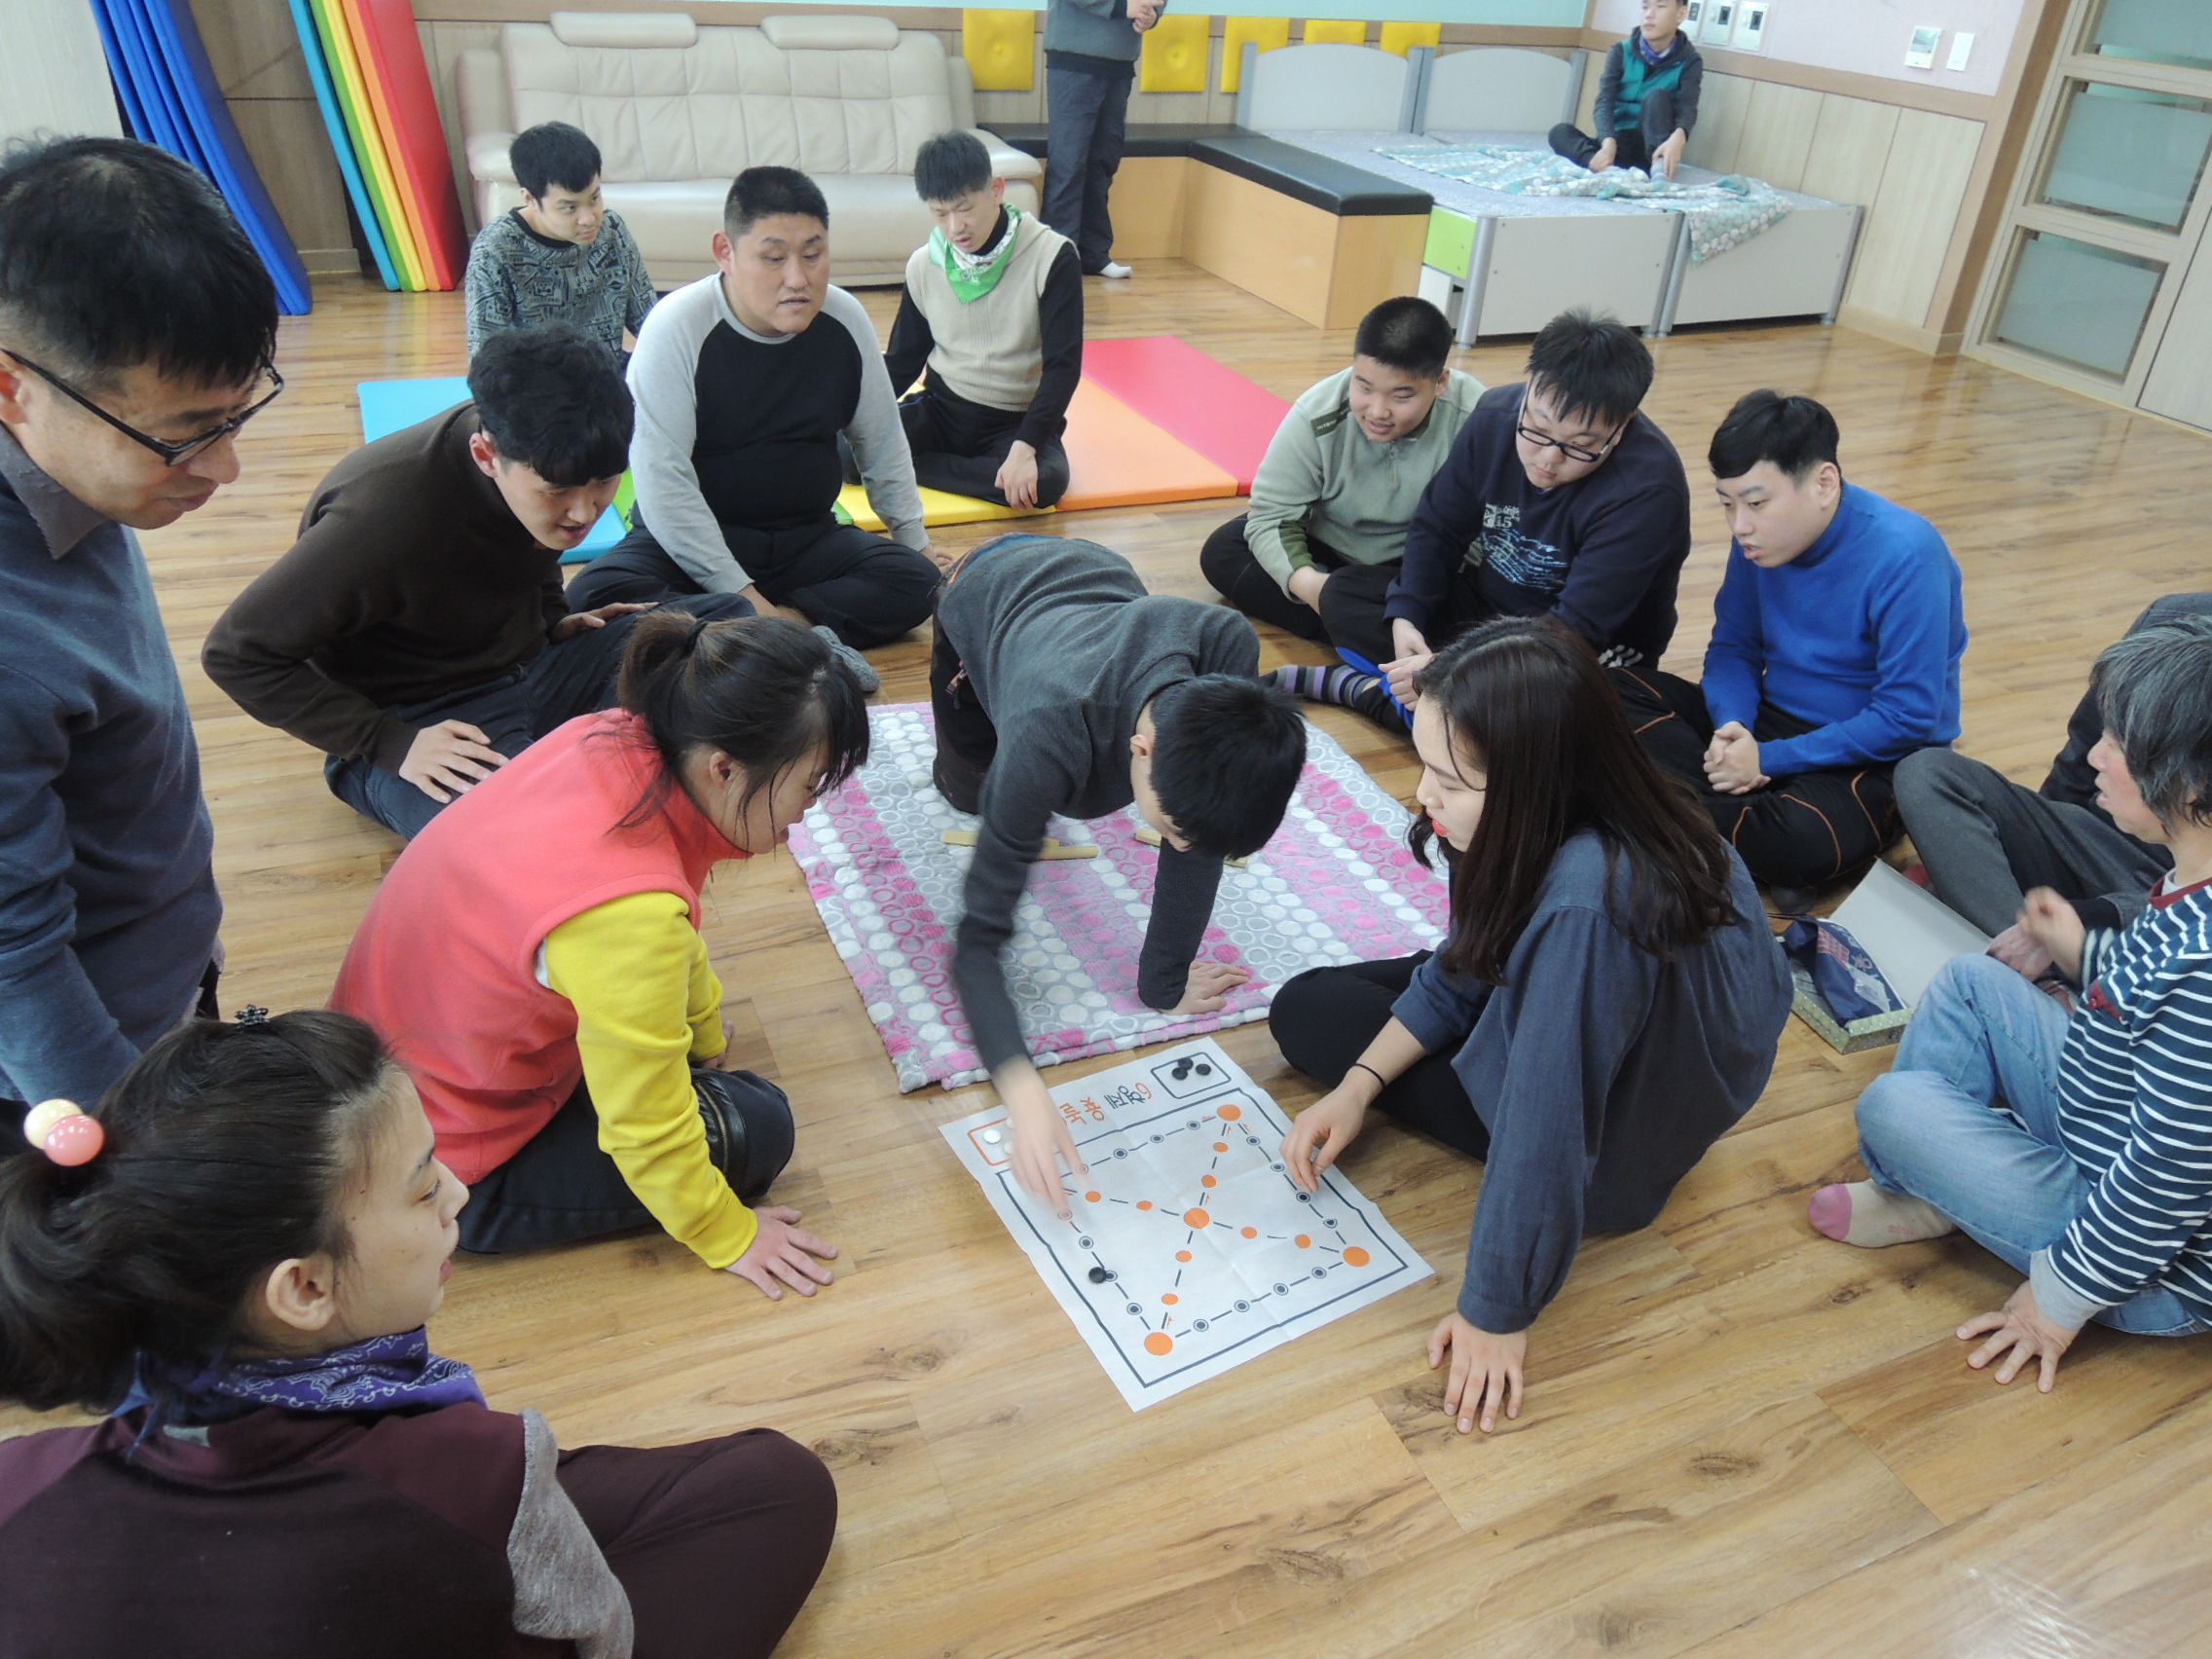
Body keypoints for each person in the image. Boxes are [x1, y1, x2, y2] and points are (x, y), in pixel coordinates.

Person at [0, 1011, 836, 1656]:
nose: (458, 1194)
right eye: (423, 1188)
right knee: (779, 1483)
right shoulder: (478, 1471)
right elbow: (600, 1636)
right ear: (304, 1287)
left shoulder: (23, 1479)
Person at [1271, 618, 1790, 1434]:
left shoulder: (1586, 908)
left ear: (1532, 782)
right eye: (1426, 763)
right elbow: (1466, 963)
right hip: (1672, 1069)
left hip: (1617, 1152)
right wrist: (1358, 1089)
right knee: (1346, 1006)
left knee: (1307, 1011)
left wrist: (1495, 1310)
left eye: (1451, 779)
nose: (1423, 793)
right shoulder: (1629, 802)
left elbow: (1546, 1127)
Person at [332, 613, 864, 1300]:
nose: (812, 810)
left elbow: (675, 930)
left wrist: (701, 1035)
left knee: (685, 1069)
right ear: (724, 768)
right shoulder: (631, 916)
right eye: (811, 785)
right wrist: (727, 1232)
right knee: (761, 1127)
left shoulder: (610, 736)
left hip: (382, 1075)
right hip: (447, 1166)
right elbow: (645, 1126)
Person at [1812, 619, 2212, 1392]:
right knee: (1972, 980)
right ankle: (1926, 1193)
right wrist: (2084, 953)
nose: (2094, 756)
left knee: (1894, 1105)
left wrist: (2055, 1304)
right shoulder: (2191, 878)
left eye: (2119, 746)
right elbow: (2151, 993)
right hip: (2107, 1124)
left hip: (2155, 1269)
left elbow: (2167, 1178)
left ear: (2191, 786)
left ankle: (1930, 1187)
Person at [203, 327, 749, 841]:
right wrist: (390, 743)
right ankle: (587, 765)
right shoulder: (380, 520)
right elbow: (235, 653)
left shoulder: (542, 458)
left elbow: (529, 550)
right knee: (530, 836)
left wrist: (550, 620)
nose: (585, 511)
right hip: (427, 720)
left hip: (529, 664)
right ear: (486, 456)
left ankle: (587, 759)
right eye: (557, 491)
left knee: (732, 625)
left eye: (605, 482)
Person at [0, 137, 278, 1126]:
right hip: (89, 1067)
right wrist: (137, 1156)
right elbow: (16, 962)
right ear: (12, 387)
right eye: (185, 433)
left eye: (238, 414)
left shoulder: (69, 461)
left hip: (160, 967)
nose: (225, 468)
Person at [934, 535, 1307, 1207]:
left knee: (1183, 821)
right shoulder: (1044, 731)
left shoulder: (1225, 642)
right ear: (1143, 747)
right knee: (967, 791)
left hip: (1093, 571)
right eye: (1174, 831)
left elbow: (1200, 839)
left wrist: (1163, 984)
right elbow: (977, 940)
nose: (1185, 846)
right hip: (981, 592)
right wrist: (1021, 1088)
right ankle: (953, 563)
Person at [565, 166, 940, 684]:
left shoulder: (846, 319)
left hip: (804, 541)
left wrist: (915, 542)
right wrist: (744, 597)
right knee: (592, 597)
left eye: (813, 255)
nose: (798, 278)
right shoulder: (676, 327)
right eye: (773, 258)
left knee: (919, 581)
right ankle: (790, 639)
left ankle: (751, 641)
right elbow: (663, 485)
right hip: (687, 551)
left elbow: (881, 442)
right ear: (726, 251)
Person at [1613, 390, 1966, 897]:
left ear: (1824, 483)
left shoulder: (1907, 554)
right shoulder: (1756, 542)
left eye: (1757, 503)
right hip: (1767, 723)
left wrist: (1770, 760)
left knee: (1806, 840)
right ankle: (1715, 820)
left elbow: (1908, 717)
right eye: (1727, 504)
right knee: (1606, 691)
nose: (1740, 525)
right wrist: (1734, 726)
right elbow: (1733, 648)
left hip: (1874, 755)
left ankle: (1648, 806)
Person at [1283, 309, 1689, 727]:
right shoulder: (1496, 414)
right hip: (1487, 612)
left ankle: (1377, 695)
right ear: (1529, 389)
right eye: (1537, 429)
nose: (1549, 458)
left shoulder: (1648, 491)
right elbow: (1439, 526)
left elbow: (1575, 631)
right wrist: (1409, 614)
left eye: (1581, 446)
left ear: (1623, 425)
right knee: (1347, 594)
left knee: (1549, 722)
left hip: (1581, 652)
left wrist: (1449, 669)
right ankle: (1445, 708)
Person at [1895, 593, 2210, 949]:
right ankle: (2022, 947)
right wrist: (2029, 843)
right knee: (1929, 774)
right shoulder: (2176, 615)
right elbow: (2080, 759)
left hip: (2181, 901)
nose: (2098, 755)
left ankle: (2030, 955)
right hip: (2111, 846)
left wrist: (2105, 912)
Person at [1204, 296, 1482, 685]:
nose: (1377, 411)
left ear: (1440, 382)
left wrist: (1415, 592)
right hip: (1331, 558)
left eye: (1401, 396)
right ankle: (1399, 650)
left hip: (1421, 567)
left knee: (1479, 597)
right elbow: (1270, 515)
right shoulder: (1316, 414)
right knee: (1224, 550)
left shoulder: (1476, 417)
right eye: (1364, 387)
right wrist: (1316, 590)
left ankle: (1376, 644)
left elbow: (1487, 529)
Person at [885, 129, 1081, 510]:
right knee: (846, 449)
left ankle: (902, 467)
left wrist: (1025, 448)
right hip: (943, 408)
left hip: (1014, 421)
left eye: (965, 209)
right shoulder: (924, 264)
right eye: (940, 213)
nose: (955, 227)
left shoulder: (1052, 256)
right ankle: (965, 472)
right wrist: (857, 420)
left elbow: (1064, 368)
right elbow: (902, 361)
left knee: (1045, 482)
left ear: (996, 190)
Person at [462, 121, 656, 360]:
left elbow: (650, 323)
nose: (589, 219)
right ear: (530, 199)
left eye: (594, 198)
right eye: (569, 208)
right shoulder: (495, 251)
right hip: (538, 381)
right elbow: (486, 359)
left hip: (609, 374)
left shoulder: (612, 230)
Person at [1043, 0, 1163, 279]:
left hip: (1119, 60)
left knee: (1103, 162)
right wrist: (1122, 6)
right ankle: (1058, 261)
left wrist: (1153, 14)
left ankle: (1094, 254)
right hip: (1074, 55)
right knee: (1069, 163)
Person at [1549, 0, 1703, 179]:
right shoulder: (1621, 51)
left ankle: (1658, 169)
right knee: (1559, 133)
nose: (1649, 14)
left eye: (1660, 6)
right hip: (1615, 146)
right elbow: (1605, 101)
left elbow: (1688, 107)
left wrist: (1679, 138)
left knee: (1657, 96)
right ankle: (1606, 169)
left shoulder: (1690, 60)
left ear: (1681, 14)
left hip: (1650, 149)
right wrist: (1608, 141)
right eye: (1645, 7)